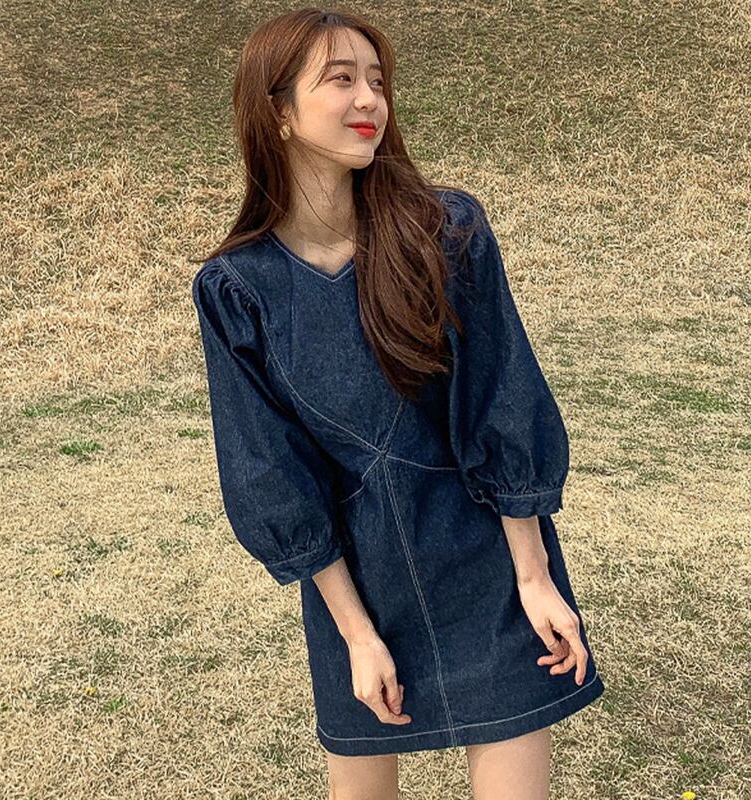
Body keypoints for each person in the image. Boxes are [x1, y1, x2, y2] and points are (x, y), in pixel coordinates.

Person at [190, 8, 605, 800]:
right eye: (341, 79)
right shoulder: (236, 290)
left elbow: (500, 397)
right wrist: (355, 633)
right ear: (278, 113)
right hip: (358, 586)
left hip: (488, 564)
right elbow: (270, 472)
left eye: (377, 81)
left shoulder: (446, 232)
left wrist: (534, 576)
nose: (369, 100)